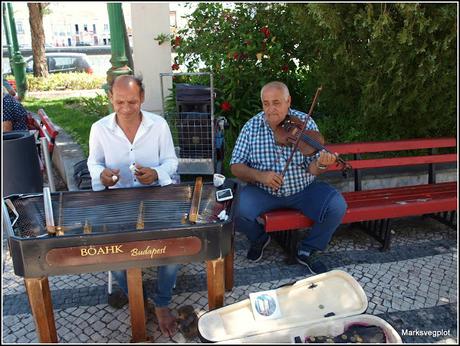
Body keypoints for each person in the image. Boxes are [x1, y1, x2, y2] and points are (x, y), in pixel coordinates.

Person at [87, 74, 179, 337]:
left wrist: (157, 174)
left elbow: (171, 162)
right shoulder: (99, 128)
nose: (126, 108)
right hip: (116, 197)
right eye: (119, 102)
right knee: (111, 251)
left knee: (172, 244)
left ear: (142, 98)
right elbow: (94, 163)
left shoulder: (158, 125)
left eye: (132, 102)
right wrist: (102, 176)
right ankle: (139, 299)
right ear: (110, 99)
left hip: (154, 194)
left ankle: (161, 303)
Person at [230, 81, 347, 274]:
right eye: (266, 103)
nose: (271, 109)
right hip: (264, 191)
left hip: (303, 189)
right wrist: (260, 176)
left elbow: (313, 169)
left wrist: (320, 164)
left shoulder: (304, 123)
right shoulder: (252, 126)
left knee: (337, 206)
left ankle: (309, 248)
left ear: (288, 101)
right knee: (234, 208)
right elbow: (235, 166)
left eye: (276, 102)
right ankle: (259, 238)